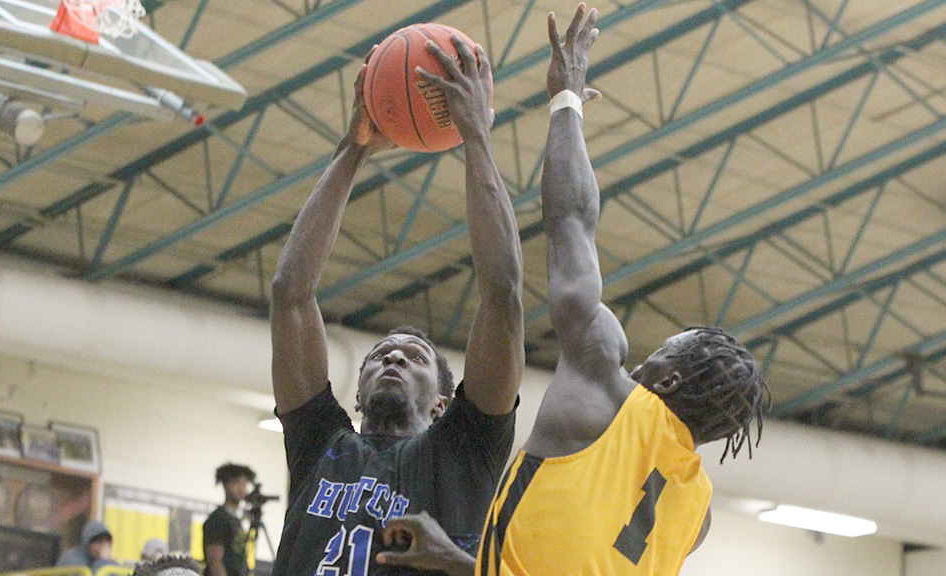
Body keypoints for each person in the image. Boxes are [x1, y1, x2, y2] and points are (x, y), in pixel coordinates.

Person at [472, 5, 769, 576]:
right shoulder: (697, 514)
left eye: (664, 350)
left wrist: (566, 102)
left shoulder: (604, 390)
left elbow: (570, 224)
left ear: (671, 377)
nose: (646, 357)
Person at [269, 29, 524, 576]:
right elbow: (291, 293)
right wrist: (353, 147)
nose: (393, 358)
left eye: (414, 358)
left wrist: (476, 137)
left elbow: (502, 295)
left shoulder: (464, 449)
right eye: (381, 355)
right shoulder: (319, 444)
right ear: (355, 397)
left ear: (441, 403)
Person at [203, 463, 255, 576]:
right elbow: (215, 561)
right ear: (226, 485)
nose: (242, 488)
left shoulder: (236, 519)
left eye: (244, 483)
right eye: (236, 482)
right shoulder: (218, 519)